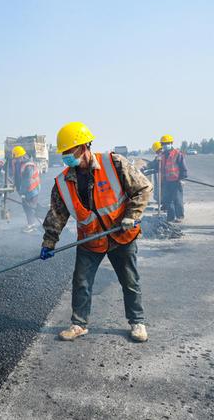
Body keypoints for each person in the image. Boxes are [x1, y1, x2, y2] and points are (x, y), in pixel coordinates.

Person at [40, 122, 152, 342]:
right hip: (90, 239)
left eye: (69, 151)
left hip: (121, 235)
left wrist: (132, 215)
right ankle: (79, 324)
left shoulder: (114, 163)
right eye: (63, 152)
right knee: (81, 281)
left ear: (83, 146)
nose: (66, 156)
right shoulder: (63, 182)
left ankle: (137, 322)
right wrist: (48, 242)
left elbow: (143, 188)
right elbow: (57, 214)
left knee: (130, 280)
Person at [158, 134, 187, 222]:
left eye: (167, 143)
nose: (165, 145)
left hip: (176, 180)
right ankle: (171, 217)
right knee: (168, 200)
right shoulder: (162, 155)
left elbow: (183, 167)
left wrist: (181, 178)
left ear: (171, 143)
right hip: (166, 181)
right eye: (163, 144)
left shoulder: (177, 154)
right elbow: (156, 165)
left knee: (177, 200)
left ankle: (179, 217)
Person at [11, 145, 41, 232]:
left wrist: (23, 193)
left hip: (33, 190)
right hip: (28, 190)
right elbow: (19, 177)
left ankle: (32, 225)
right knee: (26, 207)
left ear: (22, 156)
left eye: (17, 158)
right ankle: (31, 224)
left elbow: (26, 181)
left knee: (30, 207)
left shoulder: (28, 166)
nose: (16, 160)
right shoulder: (22, 163)